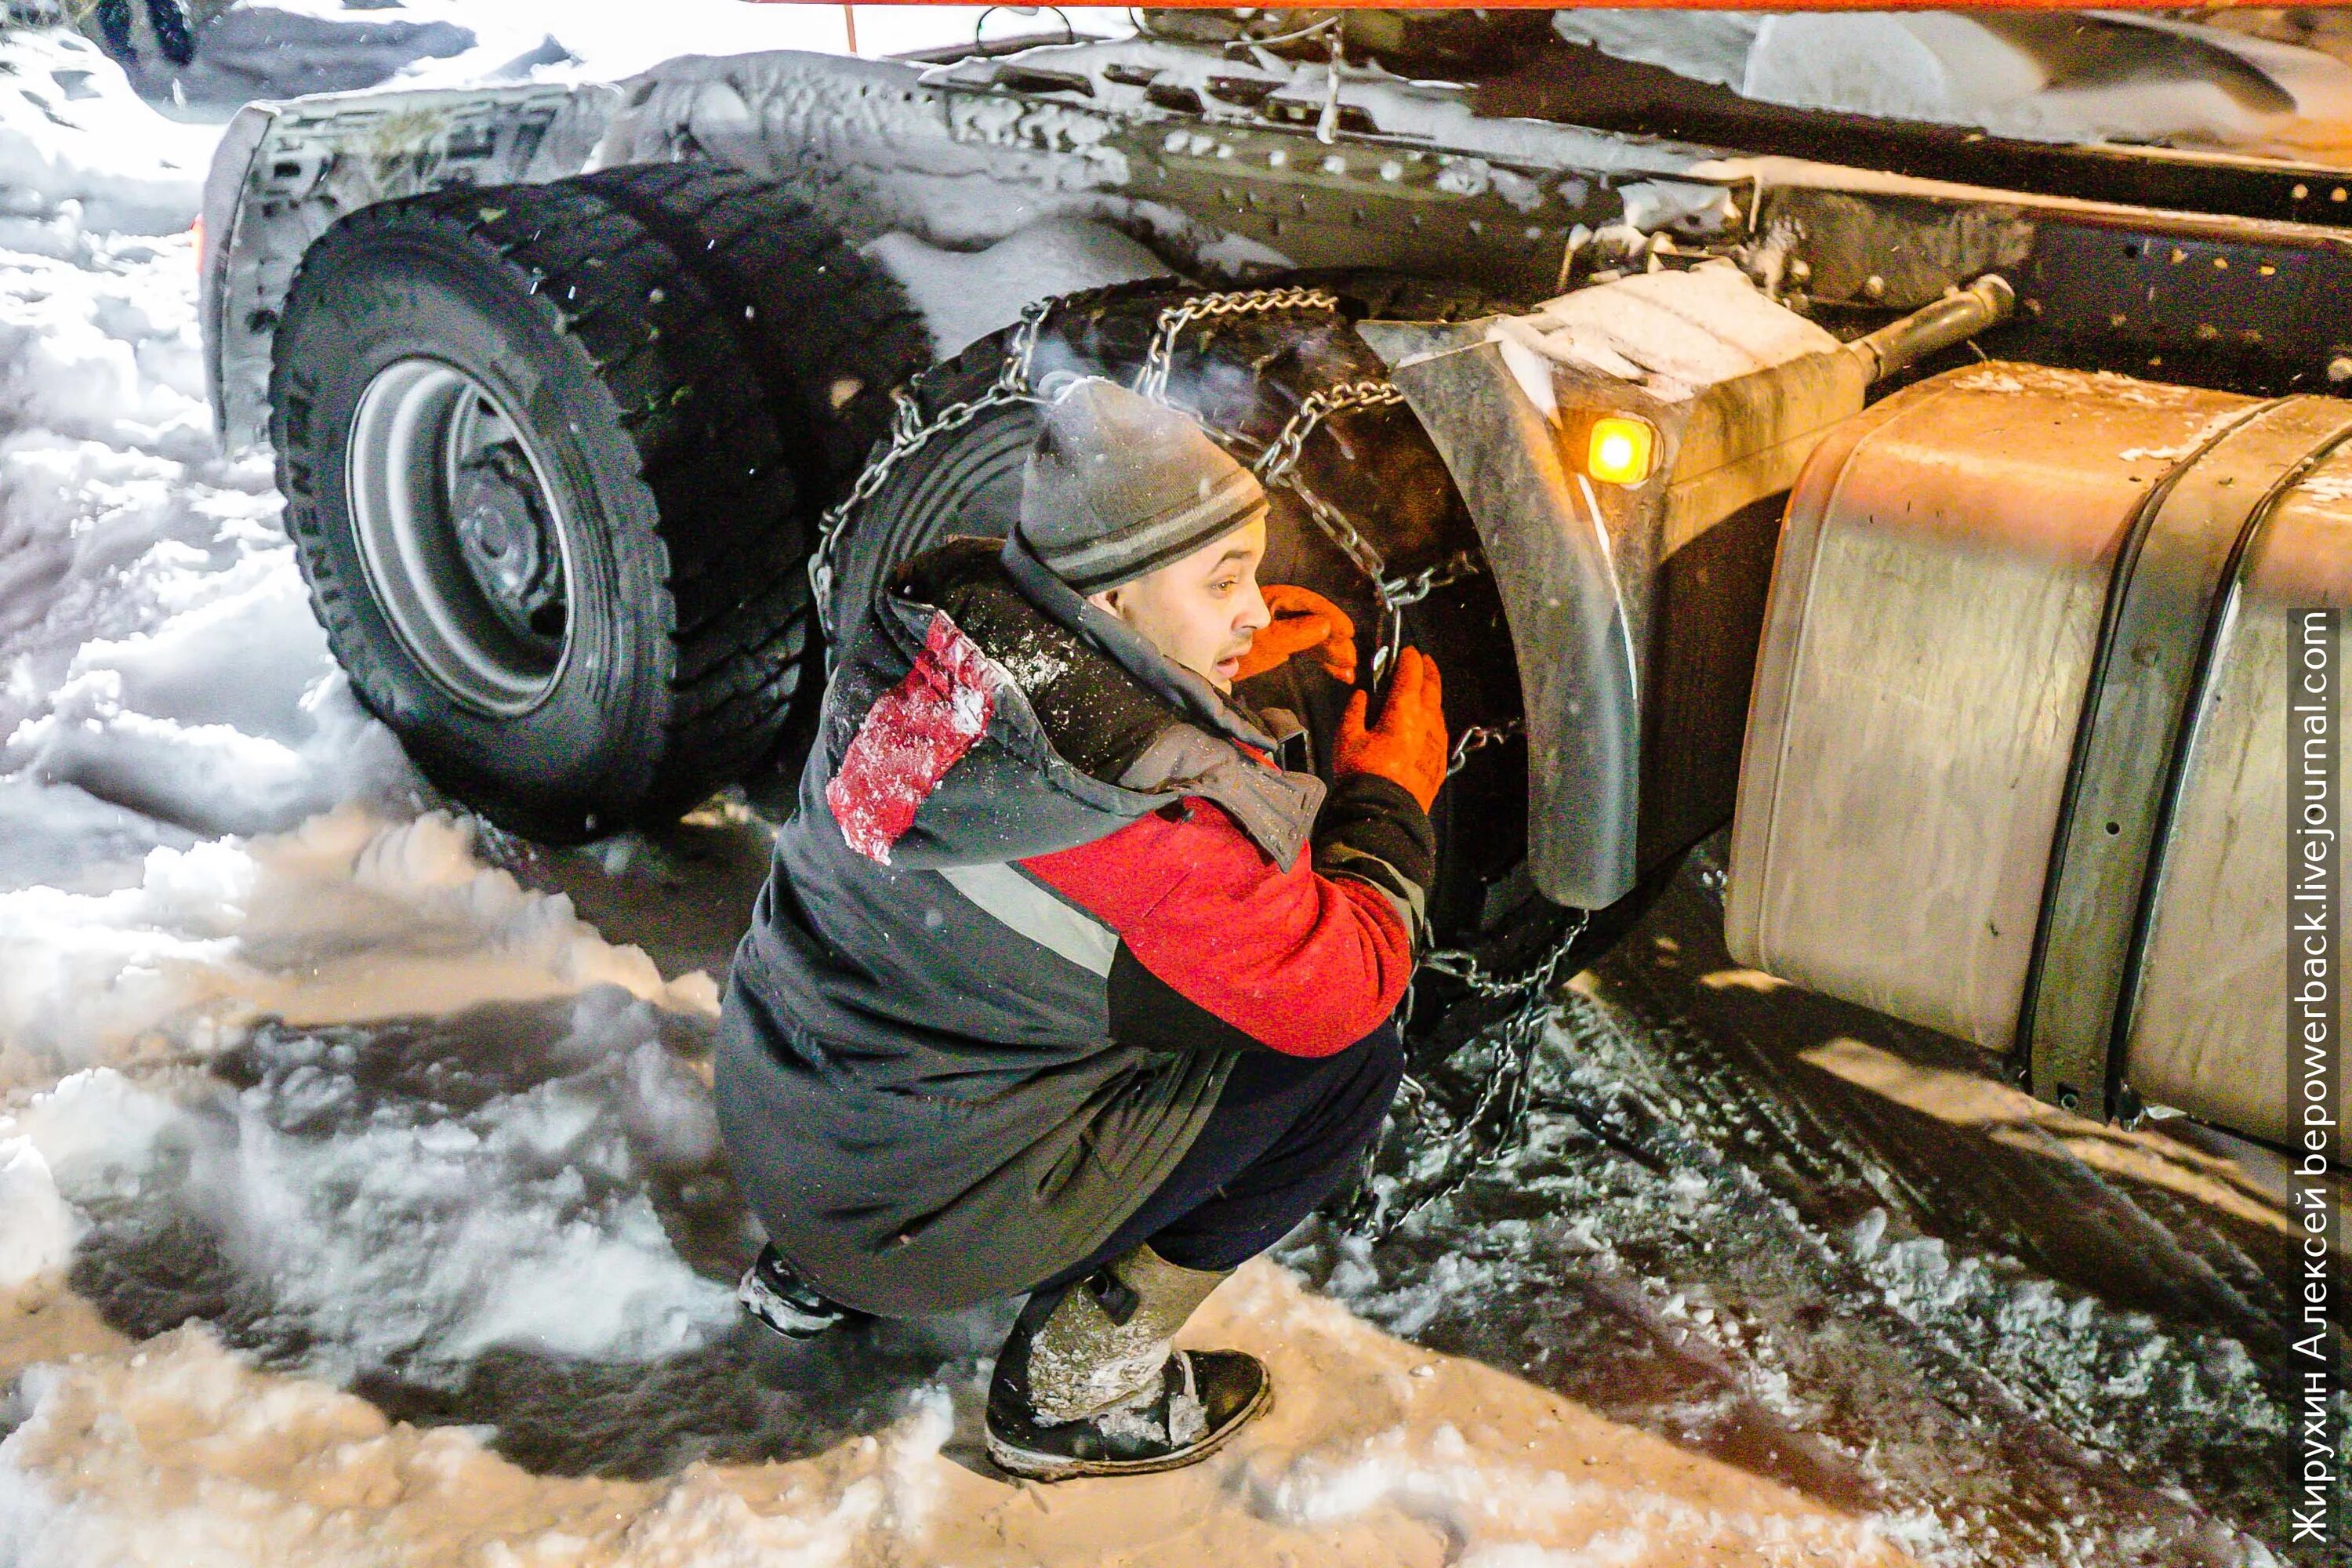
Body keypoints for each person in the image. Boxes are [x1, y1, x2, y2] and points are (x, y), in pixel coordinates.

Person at [715, 378, 1448, 1480]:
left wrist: (1202, 666)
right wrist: (1390, 799)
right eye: (1226, 581)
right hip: (903, 1221)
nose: (1258, 608)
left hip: (798, 1134)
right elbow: (1344, 981)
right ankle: (1071, 1393)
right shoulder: (1147, 829)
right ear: (1110, 606)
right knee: (1344, 1062)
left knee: (937, 978)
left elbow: (1087, 764)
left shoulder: (934, 648)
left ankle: (818, 1274)